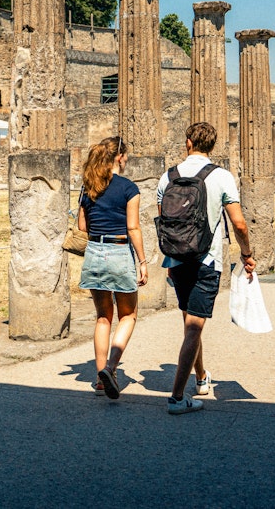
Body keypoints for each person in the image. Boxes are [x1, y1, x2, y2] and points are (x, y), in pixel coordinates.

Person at [157, 122, 255, 414]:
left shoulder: (168, 176)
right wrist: (247, 253)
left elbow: (163, 219)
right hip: (206, 260)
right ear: (212, 146)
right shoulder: (222, 177)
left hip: (175, 259)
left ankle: (200, 378)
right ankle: (177, 397)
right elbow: (238, 222)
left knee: (190, 323)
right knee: (194, 327)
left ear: (187, 142)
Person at [77, 136, 148, 399]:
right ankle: (111, 366)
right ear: (119, 157)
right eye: (126, 157)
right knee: (128, 316)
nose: (127, 161)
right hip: (119, 252)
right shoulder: (129, 188)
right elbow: (133, 228)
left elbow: (82, 227)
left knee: (102, 317)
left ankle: (99, 379)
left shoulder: (88, 187)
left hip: (95, 252)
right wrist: (142, 261)